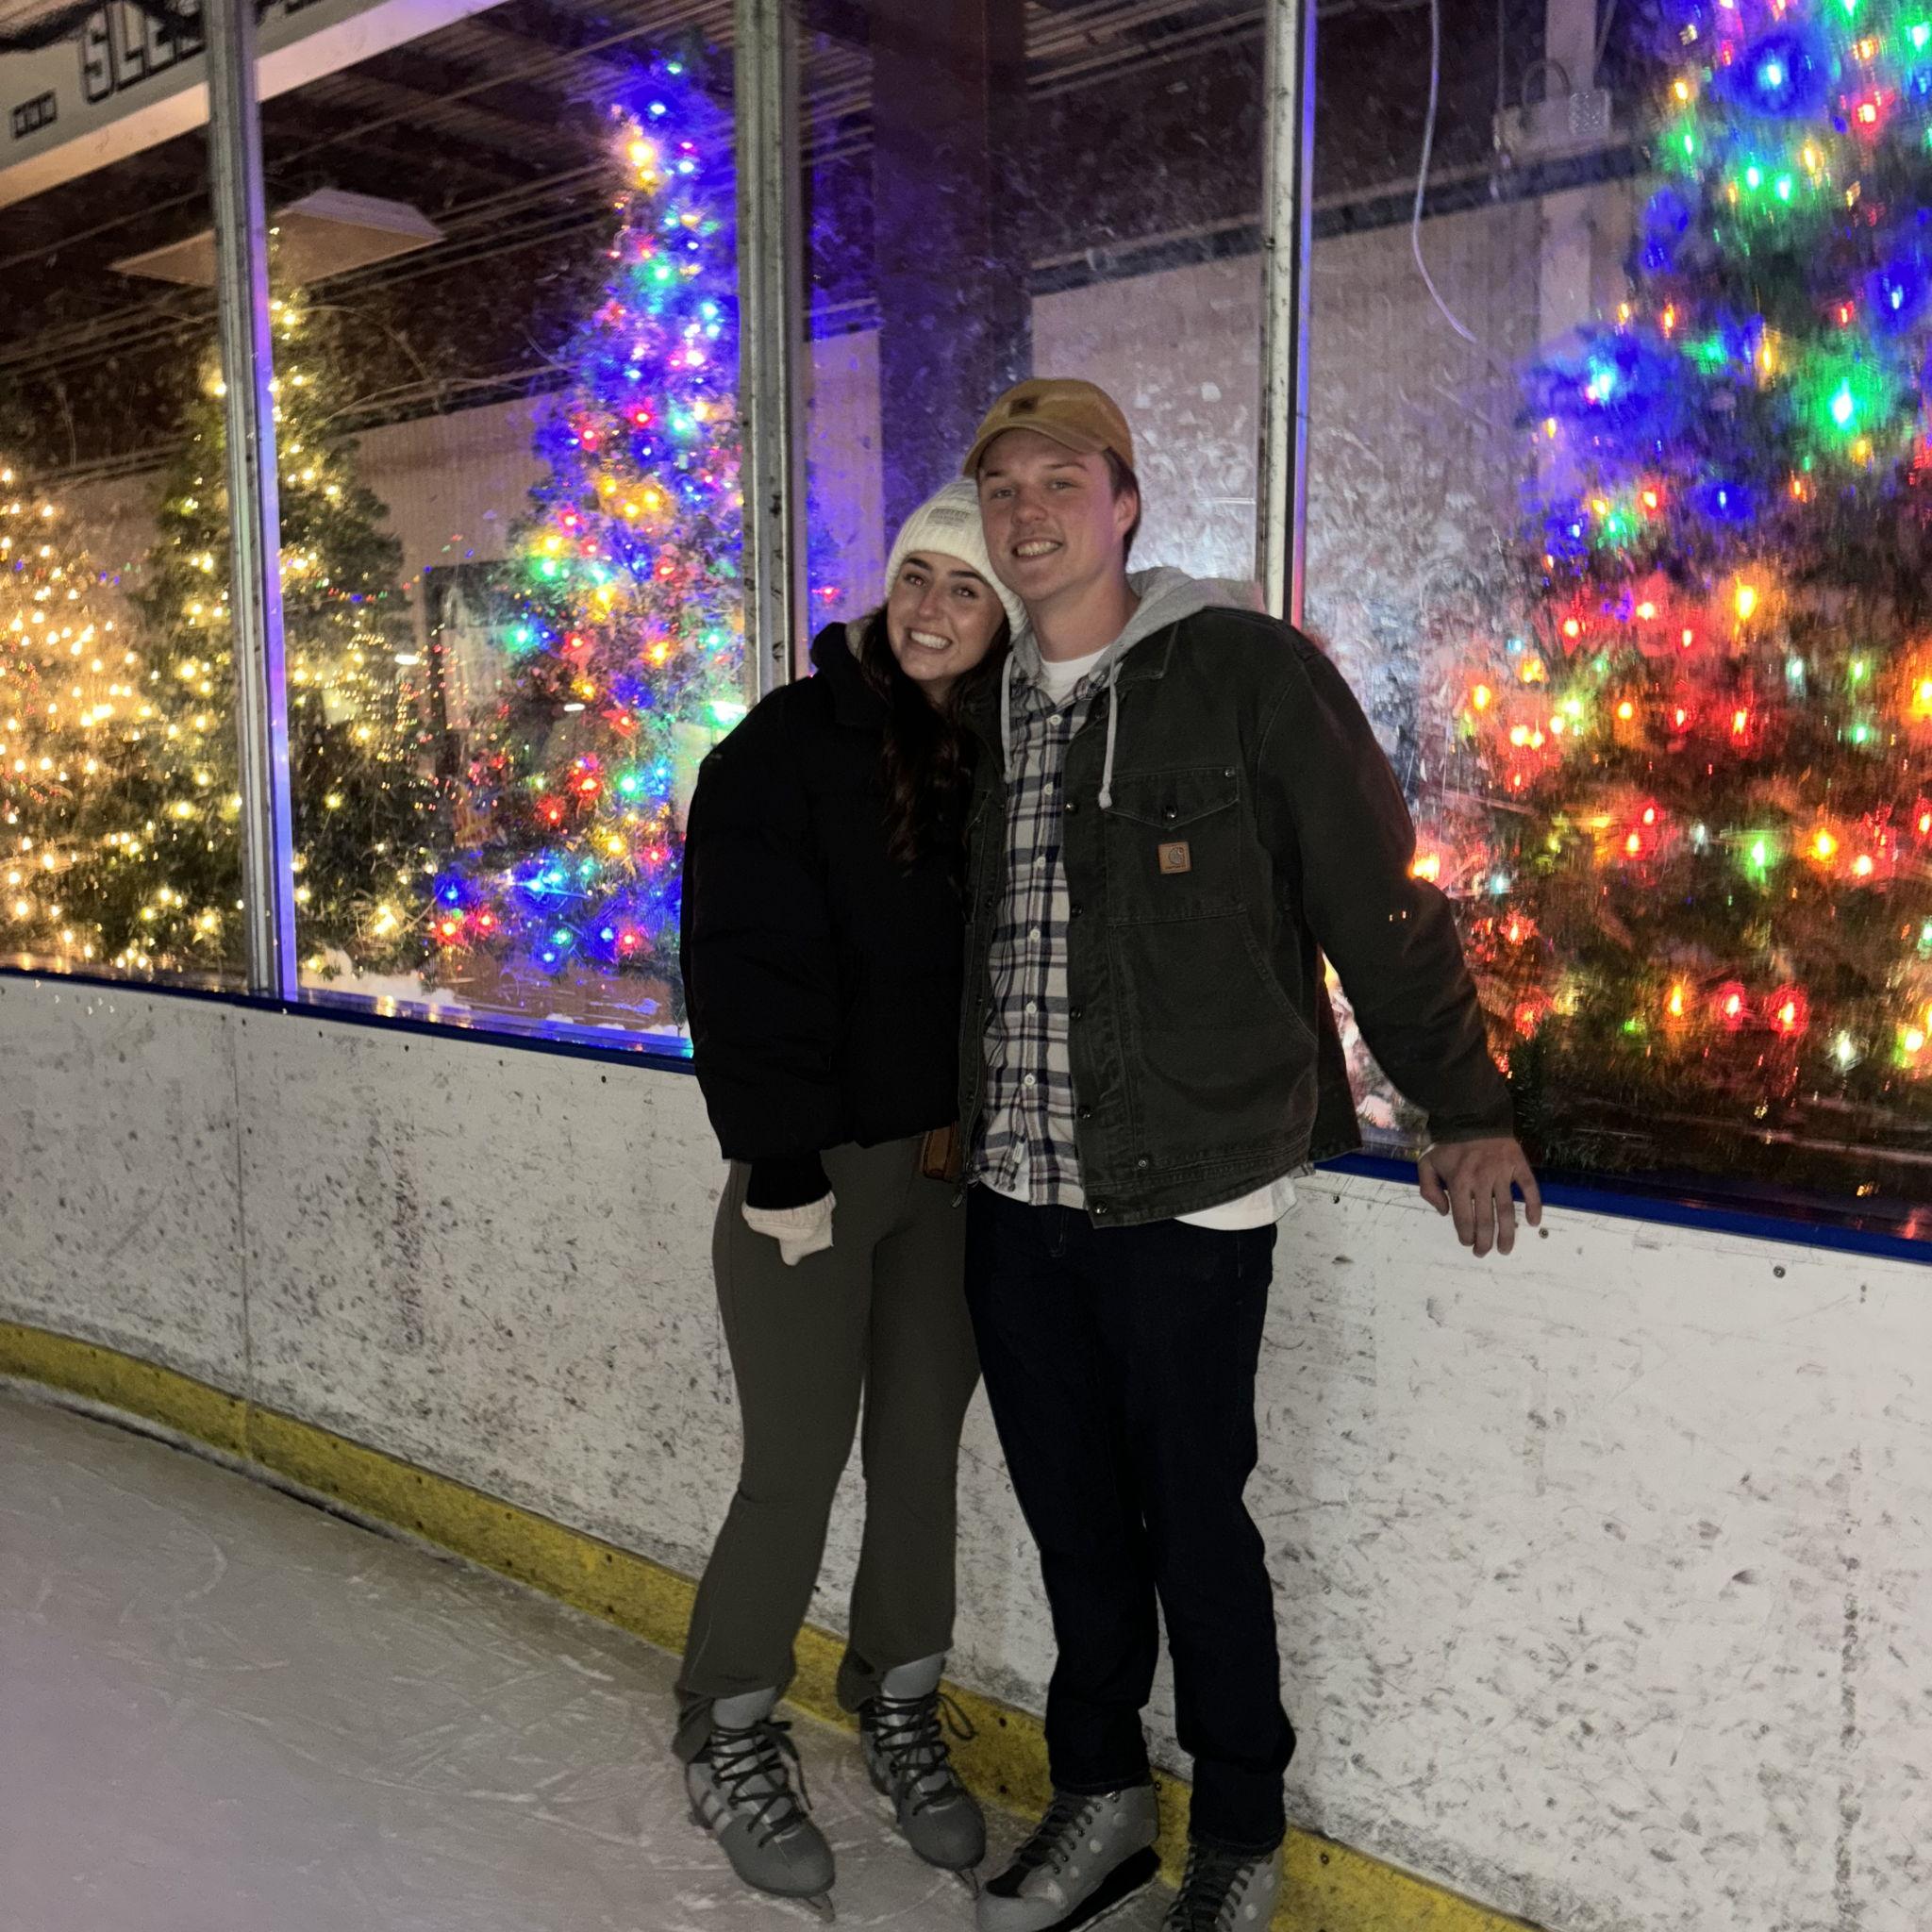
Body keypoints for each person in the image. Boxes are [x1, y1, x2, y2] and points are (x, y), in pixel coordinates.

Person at [953, 379, 1542, 1932]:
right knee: (1074, 1524)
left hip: (1187, 1195)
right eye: (1003, 486)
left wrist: (1464, 1106)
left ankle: (1243, 1831)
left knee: (1195, 1527)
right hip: (1015, 1199)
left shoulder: (1241, 673)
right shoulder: (988, 704)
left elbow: (1379, 897)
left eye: (1062, 479)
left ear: (1127, 501)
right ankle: (1101, 1805)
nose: (1029, 512)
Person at [675, 479, 1024, 1914]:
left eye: (971, 589)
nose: (936, 611)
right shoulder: (784, 748)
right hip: (809, 1180)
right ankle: (729, 1718)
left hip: (950, 1180)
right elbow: (740, 960)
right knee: (796, 1462)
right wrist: (784, 1158)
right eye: (920, 580)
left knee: (922, 1465)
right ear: (888, 589)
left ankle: (896, 1698)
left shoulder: (1001, 754)